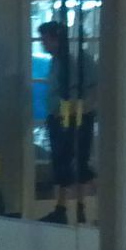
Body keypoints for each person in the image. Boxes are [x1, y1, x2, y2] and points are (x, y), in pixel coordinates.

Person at [38, 20, 95, 225]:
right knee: (61, 164)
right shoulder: (56, 61)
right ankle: (62, 209)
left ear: (56, 39)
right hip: (58, 118)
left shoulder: (80, 60)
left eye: (45, 40)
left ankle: (84, 207)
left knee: (79, 162)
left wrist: (79, 109)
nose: (43, 44)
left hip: (77, 118)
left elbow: (94, 89)